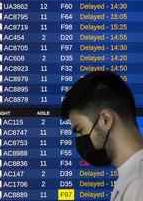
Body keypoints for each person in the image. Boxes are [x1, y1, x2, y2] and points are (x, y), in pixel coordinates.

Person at [61, 71, 143, 201]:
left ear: (105, 120)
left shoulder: (138, 184)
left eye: (80, 130)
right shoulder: (130, 177)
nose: (80, 140)